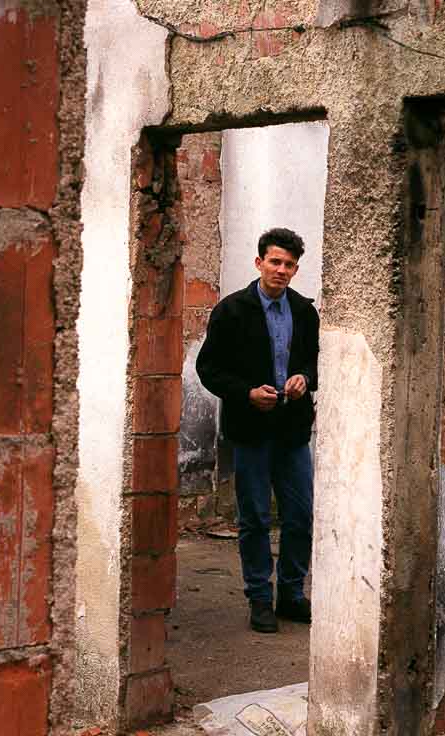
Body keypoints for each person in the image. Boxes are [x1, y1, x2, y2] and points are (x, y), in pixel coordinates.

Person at [196, 228, 319, 633]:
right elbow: (209, 369)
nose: (281, 270)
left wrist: (304, 378)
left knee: (300, 515)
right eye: (275, 262)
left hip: (292, 430)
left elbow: (316, 364)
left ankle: (291, 594)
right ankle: (259, 599)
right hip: (250, 430)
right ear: (259, 263)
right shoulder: (232, 310)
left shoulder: (304, 311)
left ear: (295, 269)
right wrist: (246, 393)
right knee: (255, 518)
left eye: (288, 265)